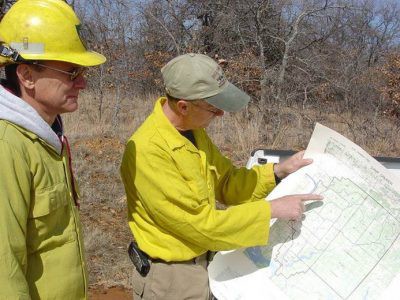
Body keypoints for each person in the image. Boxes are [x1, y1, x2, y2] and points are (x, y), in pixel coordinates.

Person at [120, 53, 322, 299]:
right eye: (213, 109)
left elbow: (227, 183)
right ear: (183, 106)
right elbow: (201, 226)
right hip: (172, 281)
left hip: (206, 265)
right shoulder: (149, 151)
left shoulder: (192, 131)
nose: (220, 115)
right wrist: (270, 210)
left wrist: (278, 171)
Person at [0, 1, 106, 299]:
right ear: (27, 76)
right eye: (72, 71)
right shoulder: (8, 146)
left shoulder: (47, 134)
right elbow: (4, 272)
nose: (83, 82)